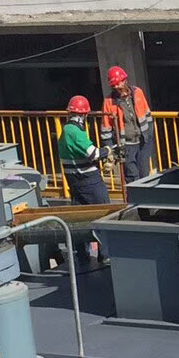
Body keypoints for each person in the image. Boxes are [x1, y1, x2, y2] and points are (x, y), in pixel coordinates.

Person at [59, 96, 111, 262]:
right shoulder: (74, 132)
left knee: (80, 218)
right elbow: (93, 153)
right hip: (88, 180)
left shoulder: (66, 131)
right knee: (105, 214)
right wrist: (108, 150)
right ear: (83, 114)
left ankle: (82, 255)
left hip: (75, 181)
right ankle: (106, 255)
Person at [100, 66, 154, 184]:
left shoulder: (138, 93)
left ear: (125, 80)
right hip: (126, 146)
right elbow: (106, 129)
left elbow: (148, 116)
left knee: (144, 174)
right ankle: (134, 195)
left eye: (118, 84)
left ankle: (143, 195)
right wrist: (111, 150)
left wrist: (149, 136)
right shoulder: (109, 101)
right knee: (132, 176)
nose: (116, 87)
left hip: (143, 141)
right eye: (113, 85)